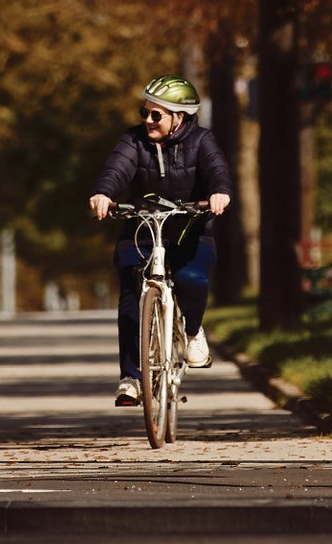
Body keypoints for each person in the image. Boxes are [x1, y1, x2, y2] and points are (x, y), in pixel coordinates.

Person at [87, 75, 233, 407]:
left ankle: (193, 331)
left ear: (178, 117)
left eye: (156, 115)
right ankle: (130, 378)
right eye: (145, 112)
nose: (147, 120)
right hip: (141, 229)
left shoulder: (202, 141)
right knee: (128, 294)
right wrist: (103, 193)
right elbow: (116, 170)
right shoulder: (133, 141)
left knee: (190, 278)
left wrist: (220, 193)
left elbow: (218, 171)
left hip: (190, 231)